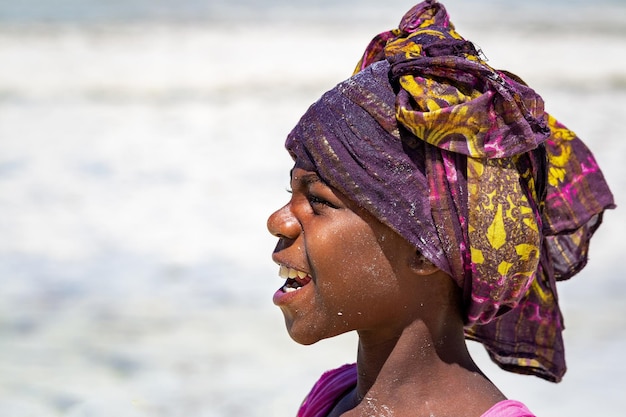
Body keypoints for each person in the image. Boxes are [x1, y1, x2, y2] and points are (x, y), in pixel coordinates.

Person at [266, 1, 615, 416]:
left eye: (319, 201)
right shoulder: (331, 397)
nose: (279, 220)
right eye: (291, 194)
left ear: (425, 248)